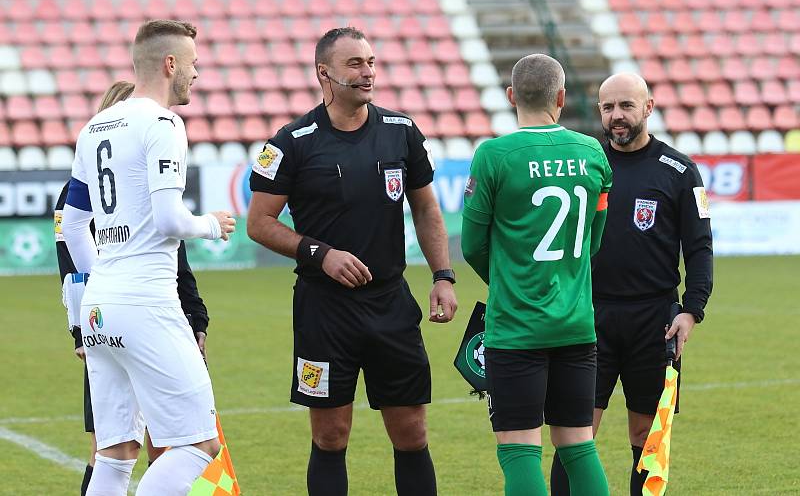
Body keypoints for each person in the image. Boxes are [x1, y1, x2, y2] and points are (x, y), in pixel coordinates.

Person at [246, 26, 457, 496]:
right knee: (330, 436)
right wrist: (320, 255)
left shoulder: (402, 132)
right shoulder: (290, 142)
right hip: (325, 310)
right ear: (324, 73)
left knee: (412, 434)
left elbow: (425, 208)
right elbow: (259, 223)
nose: (368, 73)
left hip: (390, 305)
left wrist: (444, 276)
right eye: (355, 64)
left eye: (371, 62)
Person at [61, 20, 235, 496]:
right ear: (170, 63)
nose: (196, 73)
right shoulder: (163, 124)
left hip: (99, 305)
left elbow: (73, 225)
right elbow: (170, 220)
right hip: (145, 302)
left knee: (114, 455)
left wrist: (105, 279)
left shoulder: (93, 127)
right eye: (194, 63)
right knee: (198, 445)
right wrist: (211, 225)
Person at [549, 72, 713, 495]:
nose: (617, 116)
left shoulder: (680, 171)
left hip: (655, 320)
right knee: (575, 434)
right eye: (608, 108)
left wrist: (691, 311)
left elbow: (699, 247)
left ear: (648, 107)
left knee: (646, 436)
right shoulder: (586, 165)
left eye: (625, 106)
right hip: (589, 316)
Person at [461, 54, 611, 496]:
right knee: (579, 445)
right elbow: (592, 241)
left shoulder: (493, 155)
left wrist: (509, 280)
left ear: (511, 97)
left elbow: (471, 245)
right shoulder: (592, 152)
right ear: (561, 98)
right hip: (576, 323)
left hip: (516, 328)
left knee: (519, 448)